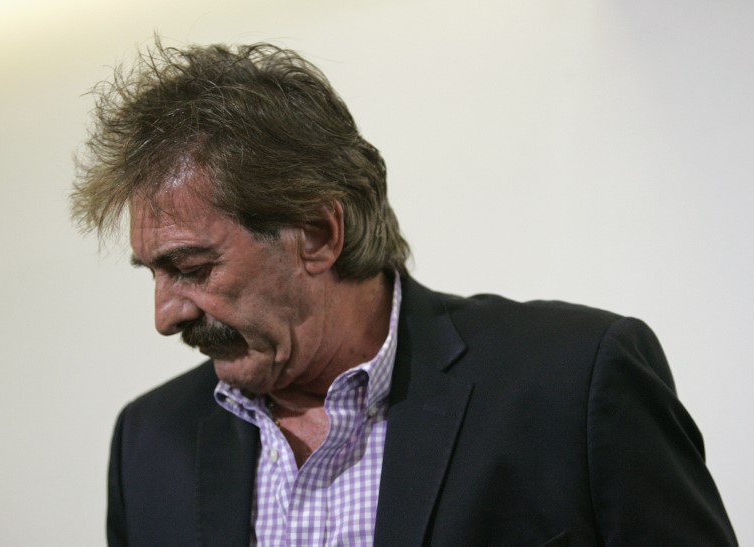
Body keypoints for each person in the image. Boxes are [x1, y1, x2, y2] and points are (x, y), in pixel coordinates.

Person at [71, 40, 737, 546]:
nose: (165, 316)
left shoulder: (575, 384)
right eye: (151, 272)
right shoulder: (148, 444)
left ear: (317, 232)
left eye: (191, 266)